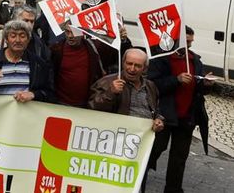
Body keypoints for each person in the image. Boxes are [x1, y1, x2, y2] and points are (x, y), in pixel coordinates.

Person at [145, 26, 215, 193]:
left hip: (187, 117)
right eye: (187, 41)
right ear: (178, 40)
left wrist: (206, 84)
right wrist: (176, 80)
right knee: (155, 149)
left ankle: (173, 189)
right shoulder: (161, 59)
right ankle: (138, 177)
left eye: (191, 42)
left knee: (179, 158)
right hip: (164, 115)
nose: (190, 45)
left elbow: (199, 88)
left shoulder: (194, 60)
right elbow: (152, 85)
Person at [0, 20, 55, 103]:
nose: (17, 40)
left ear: (28, 40)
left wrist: (33, 94)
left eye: (22, 36)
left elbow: (49, 94)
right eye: (13, 36)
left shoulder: (38, 64)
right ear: (6, 39)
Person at [88, 48, 165, 132]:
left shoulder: (150, 86)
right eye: (129, 63)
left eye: (138, 66)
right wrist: (110, 93)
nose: (132, 69)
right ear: (123, 63)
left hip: (143, 137)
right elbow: (93, 108)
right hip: (116, 134)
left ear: (144, 68)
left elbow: (156, 109)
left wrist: (158, 120)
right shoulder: (106, 82)